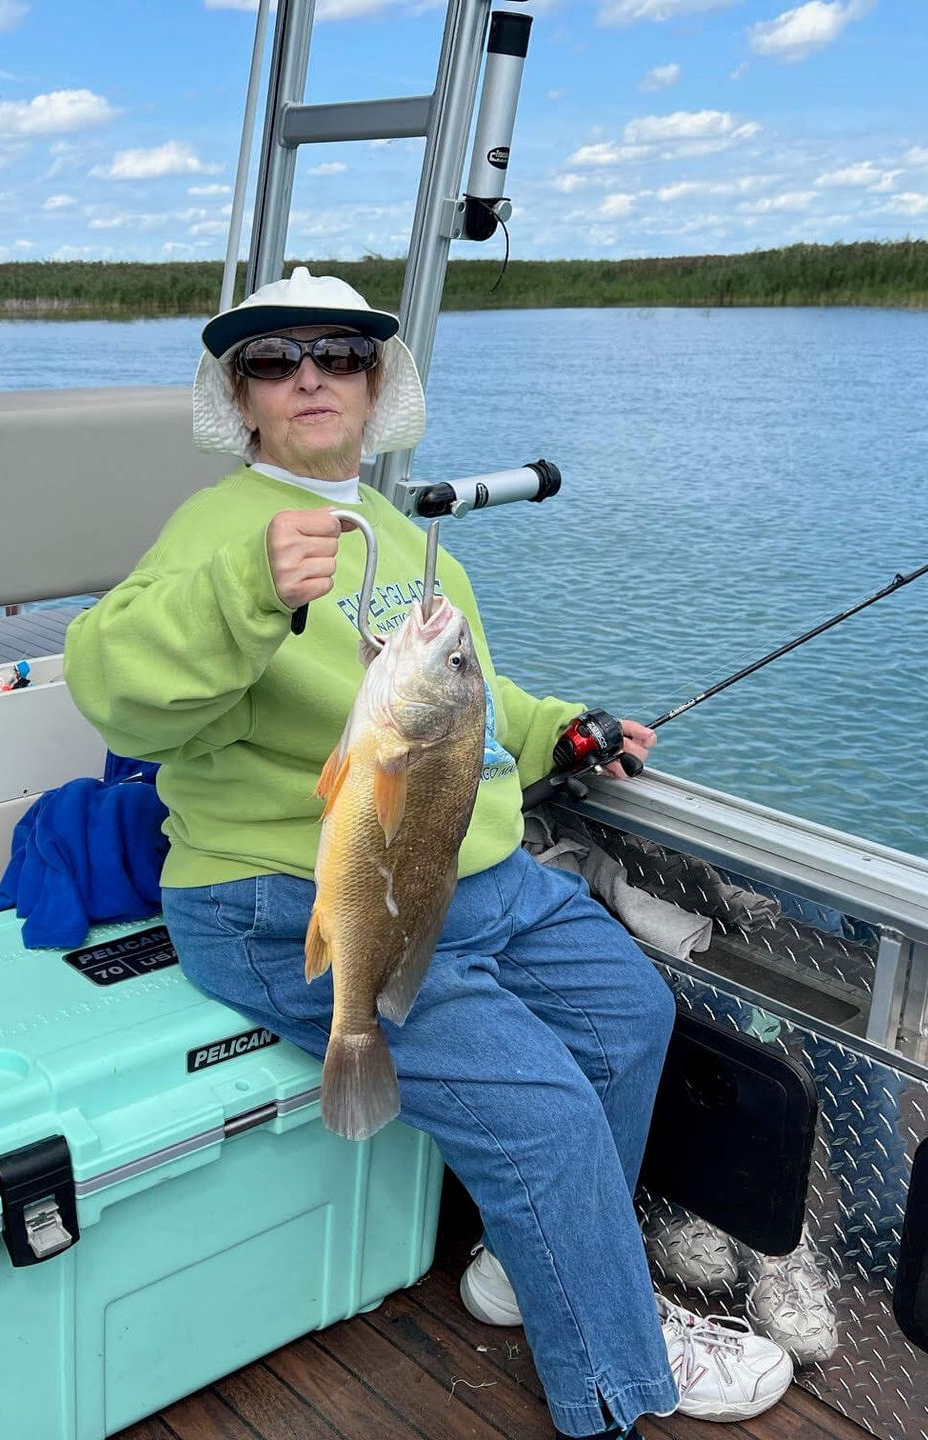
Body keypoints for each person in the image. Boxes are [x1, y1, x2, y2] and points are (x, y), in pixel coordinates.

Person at [62, 268, 794, 1438]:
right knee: (544, 1113)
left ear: (377, 385)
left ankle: (532, 1257)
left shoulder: (407, 538)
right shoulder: (216, 534)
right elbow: (116, 692)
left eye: (340, 355)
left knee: (625, 1014)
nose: (310, 375)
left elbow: (459, 692)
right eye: (273, 359)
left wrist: (560, 726)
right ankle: (617, 1380)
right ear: (239, 398)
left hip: (465, 871)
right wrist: (246, 589)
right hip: (293, 892)